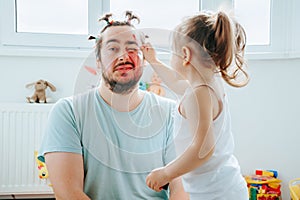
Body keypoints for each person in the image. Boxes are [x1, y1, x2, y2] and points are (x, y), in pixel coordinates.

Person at [38, 11, 188, 200]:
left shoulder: (170, 112)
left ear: (144, 59)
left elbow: (181, 188)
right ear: (98, 61)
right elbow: (68, 194)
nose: (123, 56)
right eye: (113, 48)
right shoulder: (68, 112)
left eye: (132, 48)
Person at [141, 10, 249, 199]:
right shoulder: (205, 84)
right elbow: (176, 83)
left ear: (185, 55)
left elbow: (203, 149)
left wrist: (166, 173)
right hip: (222, 187)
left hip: (216, 193)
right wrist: (154, 61)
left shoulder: (198, 94)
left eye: (172, 53)